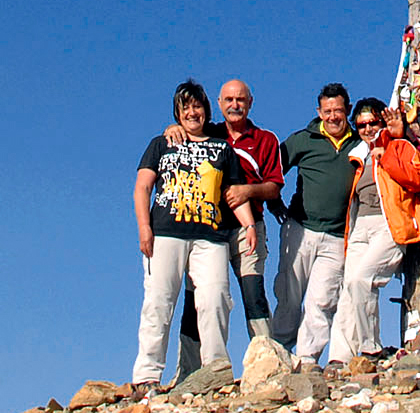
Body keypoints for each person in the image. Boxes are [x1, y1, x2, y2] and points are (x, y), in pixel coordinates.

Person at [131, 79, 255, 388]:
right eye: (185, 108)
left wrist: (249, 225)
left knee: (215, 298)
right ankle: (147, 377)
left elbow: (232, 193)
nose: (192, 113)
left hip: (210, 236)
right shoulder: (161, 144)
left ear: (206, 110)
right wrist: (144, 227)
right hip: (166, 233)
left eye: (197, 106)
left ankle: (215, 369)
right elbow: (143, 187)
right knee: (159, 302)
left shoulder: (222, 148)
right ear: (177, 113)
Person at [171, 78, 284, 355]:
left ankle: (267, 357)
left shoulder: (265, 139)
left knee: (253, 293)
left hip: (249, 228)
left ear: (250, 103)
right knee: (198, 297)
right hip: (208, 229)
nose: (235, 105)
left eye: (241, 99)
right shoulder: (207, 132)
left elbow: (274, 186)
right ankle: (190, 368)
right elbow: (183, 127)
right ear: (219, 104)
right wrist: (173, 128)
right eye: (229, 100)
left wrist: (247, 190)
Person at [327, 95, 420, 364]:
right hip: (360, 226)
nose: (368, 129)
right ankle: (340, 357)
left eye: (373, 123)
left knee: (362, 280)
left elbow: (418, 179)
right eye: (361, 125)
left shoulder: (398, 145)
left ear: (383, 123)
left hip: (389, 224)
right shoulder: (358, 155)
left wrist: (387, 155)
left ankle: (371, 348)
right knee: (350, 287)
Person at [271, 82, 360, 362]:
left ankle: (307, 359)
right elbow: (273, 169)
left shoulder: (360, 144)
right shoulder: (303, 139)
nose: (333, 117)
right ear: (319, 112)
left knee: (322, 301)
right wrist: (273, 201)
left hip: (336, 236)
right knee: (288, 296)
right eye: (327, 111)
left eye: (338, 110)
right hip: (300, 229)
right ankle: (280, 354)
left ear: (347, 110)